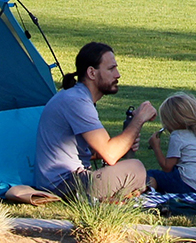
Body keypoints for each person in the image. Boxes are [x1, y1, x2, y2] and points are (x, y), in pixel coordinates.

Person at [33, 42, 157, 201]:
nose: (117, 75)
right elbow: (110, 154)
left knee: (137, 173)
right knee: (136, 168)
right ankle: (119, 196)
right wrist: (139, 119)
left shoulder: (77, 97)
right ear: (92, 72)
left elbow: (90, 153)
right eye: (111, 69)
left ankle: (118, 196)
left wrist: (124, 144)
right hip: (63, 185)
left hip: (63, 181)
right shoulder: (77, 101)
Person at [147, 92, 196, 195]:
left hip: (184, 184)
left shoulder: (177, 136)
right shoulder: (194, 135)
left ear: (171, 121)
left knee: (151, 174)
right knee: (164, 178)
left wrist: (156, 146)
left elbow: (167, 167)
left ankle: (148, 194)